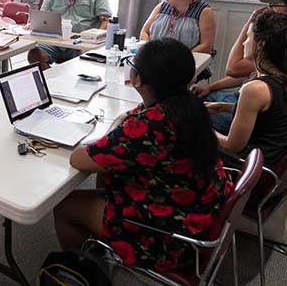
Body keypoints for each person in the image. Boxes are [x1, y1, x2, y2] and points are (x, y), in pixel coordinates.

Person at [53, 38, 230, 272]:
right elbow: (131, 118)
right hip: (199, 209)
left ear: (138, 79)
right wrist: (119, 129)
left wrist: (112, 132)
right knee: (108, 175)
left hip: (172, 237)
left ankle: (86, 271)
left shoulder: (150, 126)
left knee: (64, 205)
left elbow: (79, 158)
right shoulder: (188, 104)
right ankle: (102, 244)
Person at [193, 0, 287, 134]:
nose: (268, 10)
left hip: (262, 116)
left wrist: (251, 26)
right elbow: (254, 71)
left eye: (273, 5)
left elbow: (233, 68)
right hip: (263, 107)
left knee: (188, 113)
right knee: (196, 100)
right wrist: (211, 86)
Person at [206, 11, 287, 168]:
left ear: (261, 44)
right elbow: (271, 115)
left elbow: (232, 145)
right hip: (270, 165)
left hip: (247, 170)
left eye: (248, 37)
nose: (244, 43)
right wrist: (226, 107)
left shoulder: (255, 89)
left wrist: (201, 128)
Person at [27, 0, 112, 70]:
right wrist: (33, 24)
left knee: (84, 58)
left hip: (81, 42)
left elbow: (106, 20)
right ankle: (51, 82)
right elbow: (42, 16)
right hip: (57, 42)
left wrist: (95, 38)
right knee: (34, 54)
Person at [140, 0, 216, 53]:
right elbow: (144, 32)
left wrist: (180, 58)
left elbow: (206, 46)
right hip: (156, 58)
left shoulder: (204, 11)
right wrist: (149, 51)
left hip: (187, 61)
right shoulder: (161, 7)